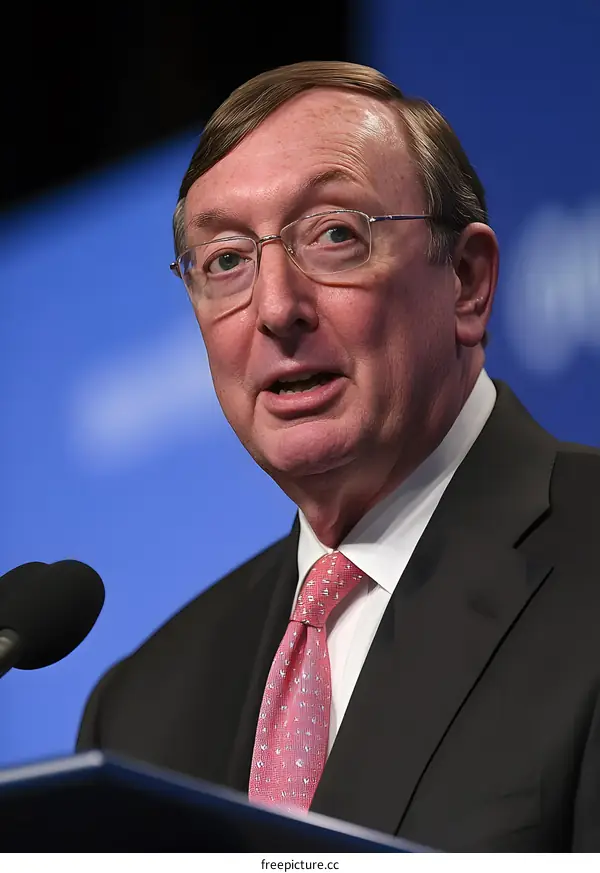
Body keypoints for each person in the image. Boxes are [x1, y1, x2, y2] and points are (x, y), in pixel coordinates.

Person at [77, 60, 600, 852]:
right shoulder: (140, 710)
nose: (277, 308)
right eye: (225, 260)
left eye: (333, 235)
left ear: (466, 280)